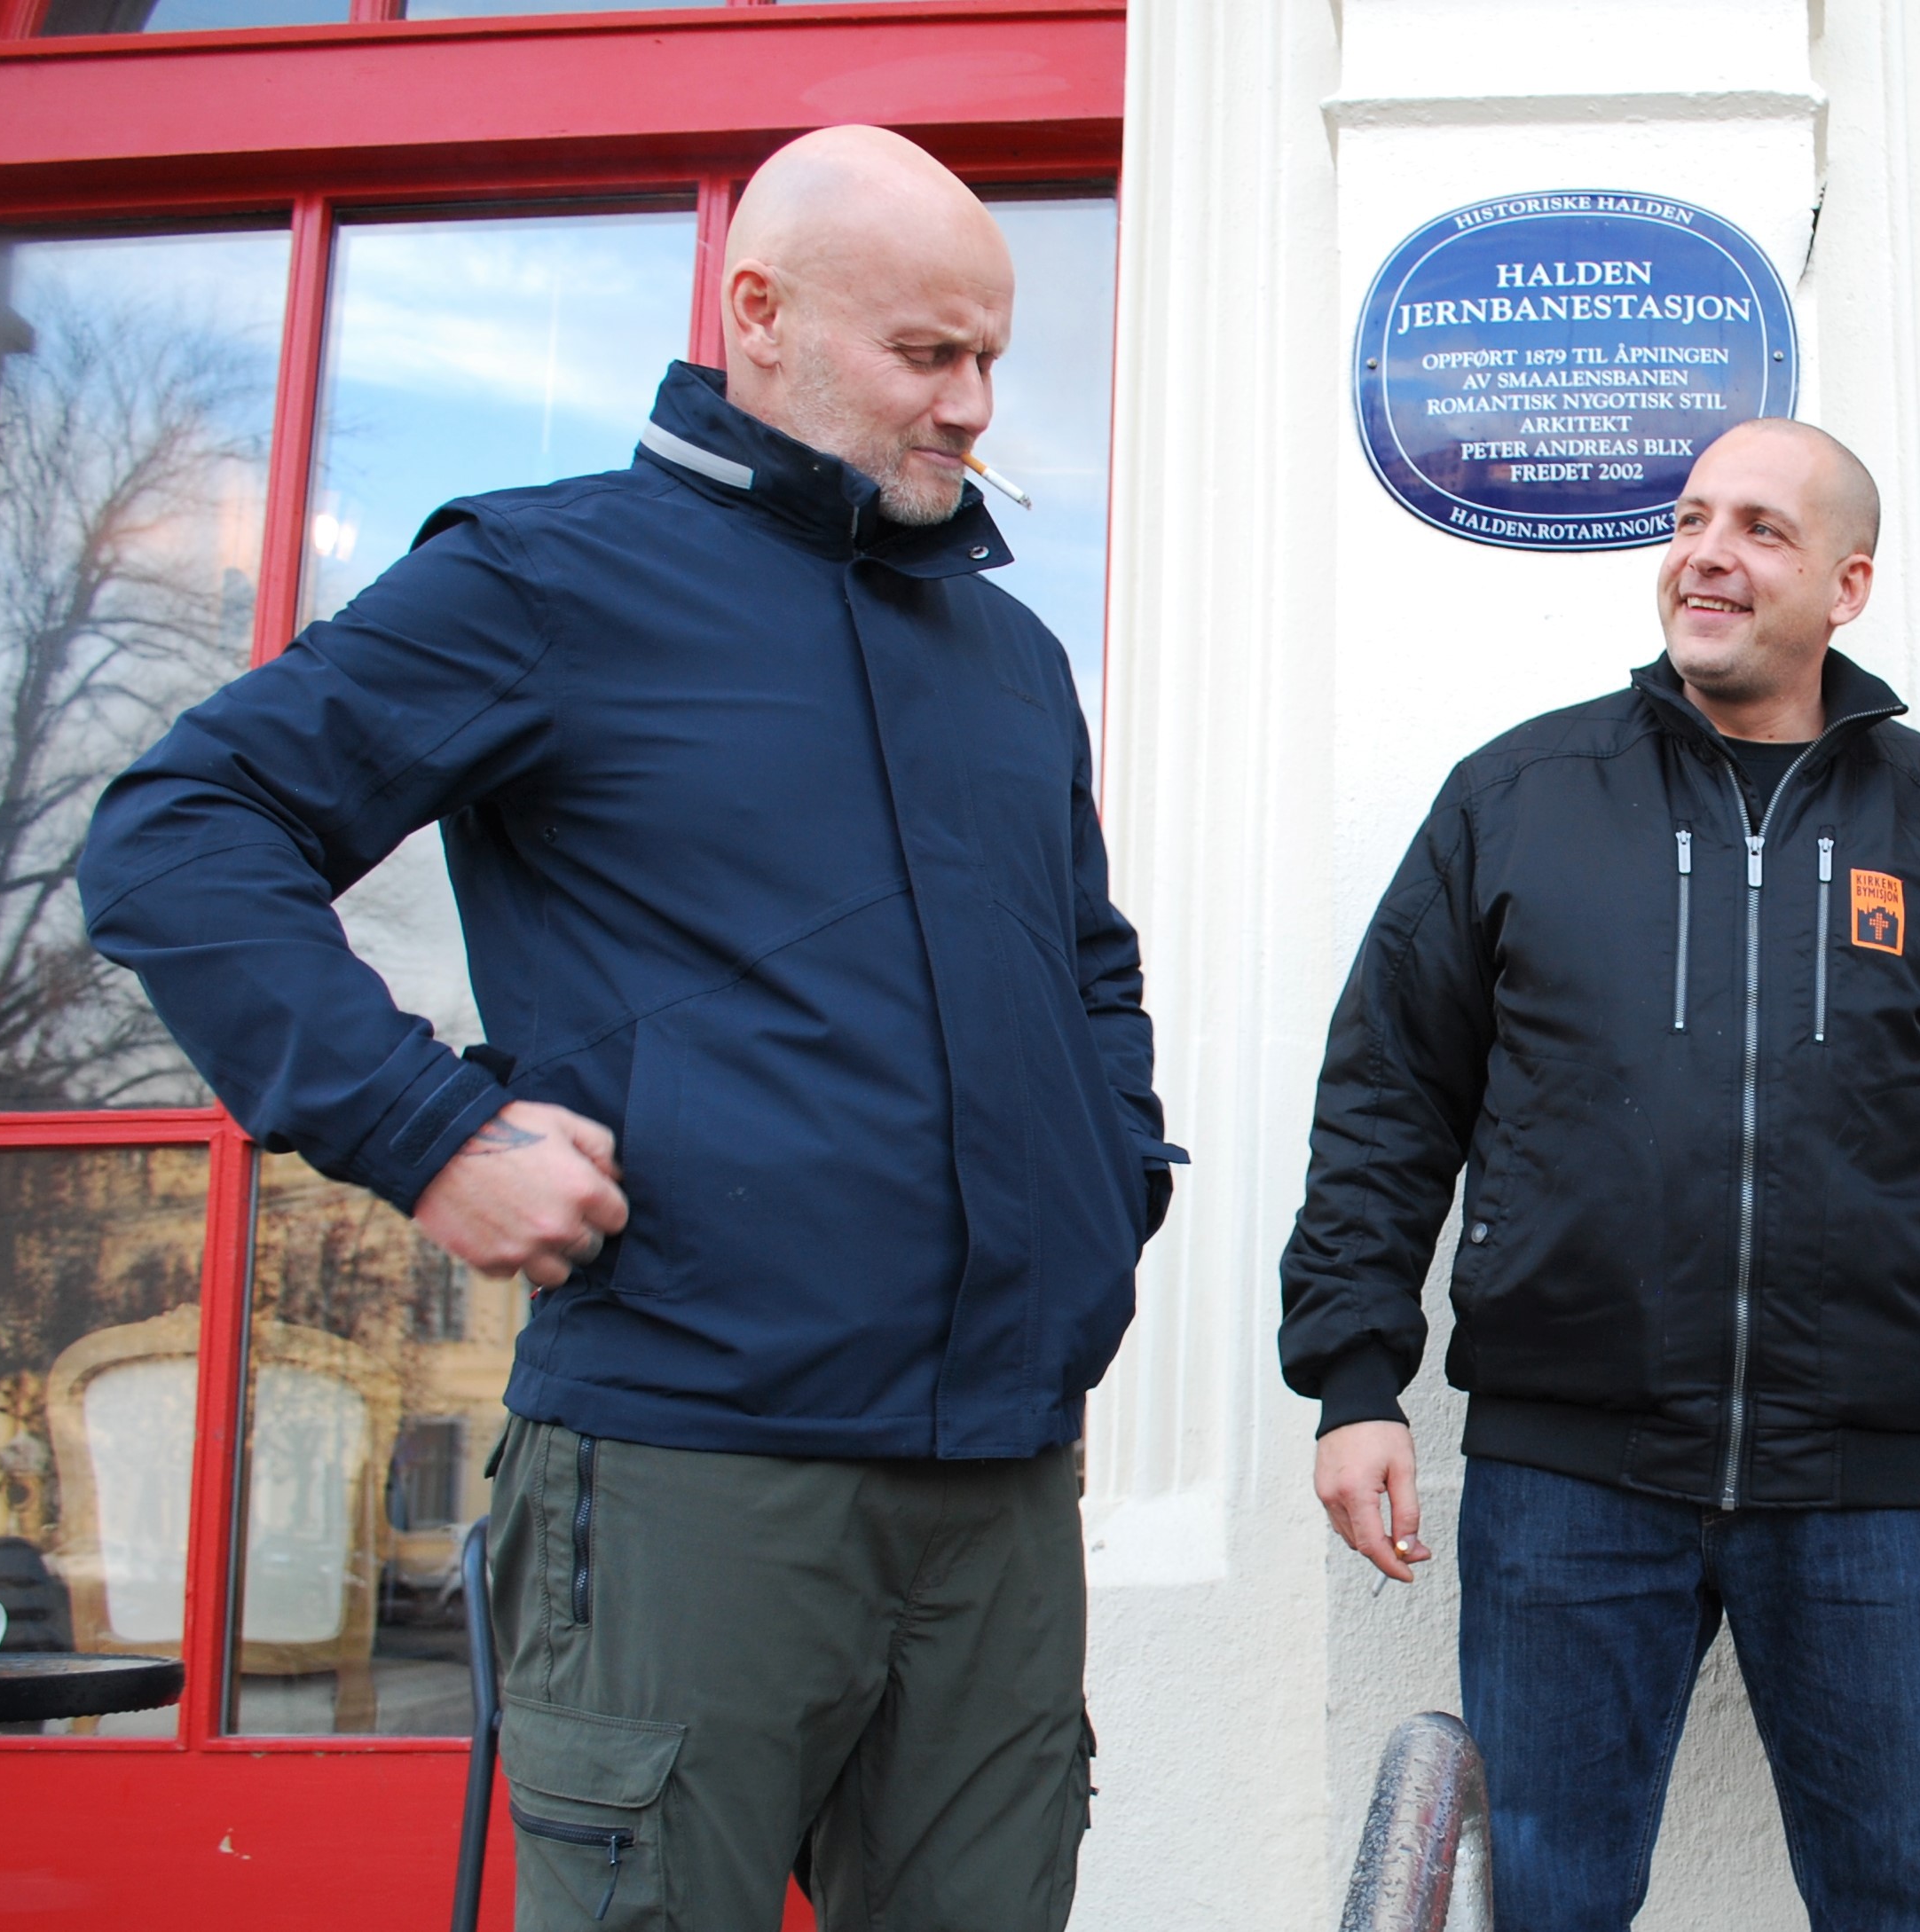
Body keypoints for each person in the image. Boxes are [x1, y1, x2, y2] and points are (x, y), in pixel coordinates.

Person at [76, 125, 1178, 1932]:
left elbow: (1088, 974)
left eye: (990, 356)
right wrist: (423, 1130)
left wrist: (1102, 1189)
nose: (975, 404)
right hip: (691, 1470)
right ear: (759, 314)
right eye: (926, 354)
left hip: (995, 1483)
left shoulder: (1006, 657)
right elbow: (179, 836)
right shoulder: (543, 583)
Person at [1281, 417, 1920, 1932]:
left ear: (1847, 582)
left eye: (1760, 525)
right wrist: (1357, 1380)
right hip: (1570, 1479)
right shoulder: (1518, 800)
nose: (1708, 551)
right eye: (1690, 517)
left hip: (1865, 1480)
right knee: (1548, 1897)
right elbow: (1385, 1099)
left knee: (1898, 1898)